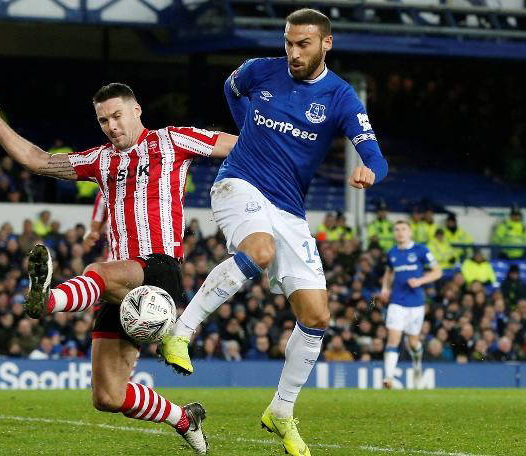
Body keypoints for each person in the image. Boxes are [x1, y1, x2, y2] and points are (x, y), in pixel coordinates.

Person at [158, 9, 388, 455]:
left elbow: (374, 154)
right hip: (239, 182)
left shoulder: (341, 97)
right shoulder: (260, 70)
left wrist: (370, 171)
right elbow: (231, 86)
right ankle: (180, 331)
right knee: (259, 250)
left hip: (289, 209)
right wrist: (247, 130)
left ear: (326, 43)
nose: (293, 53)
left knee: (317, 316)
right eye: (288, 42)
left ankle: (281, 410)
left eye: (303, 44)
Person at [0, 81, 238, 454]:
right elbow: (38, 160)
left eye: (117, 116)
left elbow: (241, 145)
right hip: (120, 287)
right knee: (108, 396)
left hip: (160, 269)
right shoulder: (99, 160)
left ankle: (48, 301)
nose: (112, 126)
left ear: (136, 110)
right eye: (103, 120)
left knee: (99, 269)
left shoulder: (173, 140)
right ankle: (183, 418)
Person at [379, 221, 441, 389]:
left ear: (410, 232)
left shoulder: (421, 250)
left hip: (416, 304)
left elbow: (437, 272)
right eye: (397, 229)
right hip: (397, 302)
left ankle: (417, 365)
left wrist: (420, 281)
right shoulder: (392, 253)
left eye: (403, 229)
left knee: (413, 343)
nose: (400, 232)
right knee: (393, 339)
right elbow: (389, 272)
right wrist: (385, 288)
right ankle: (388, 378)